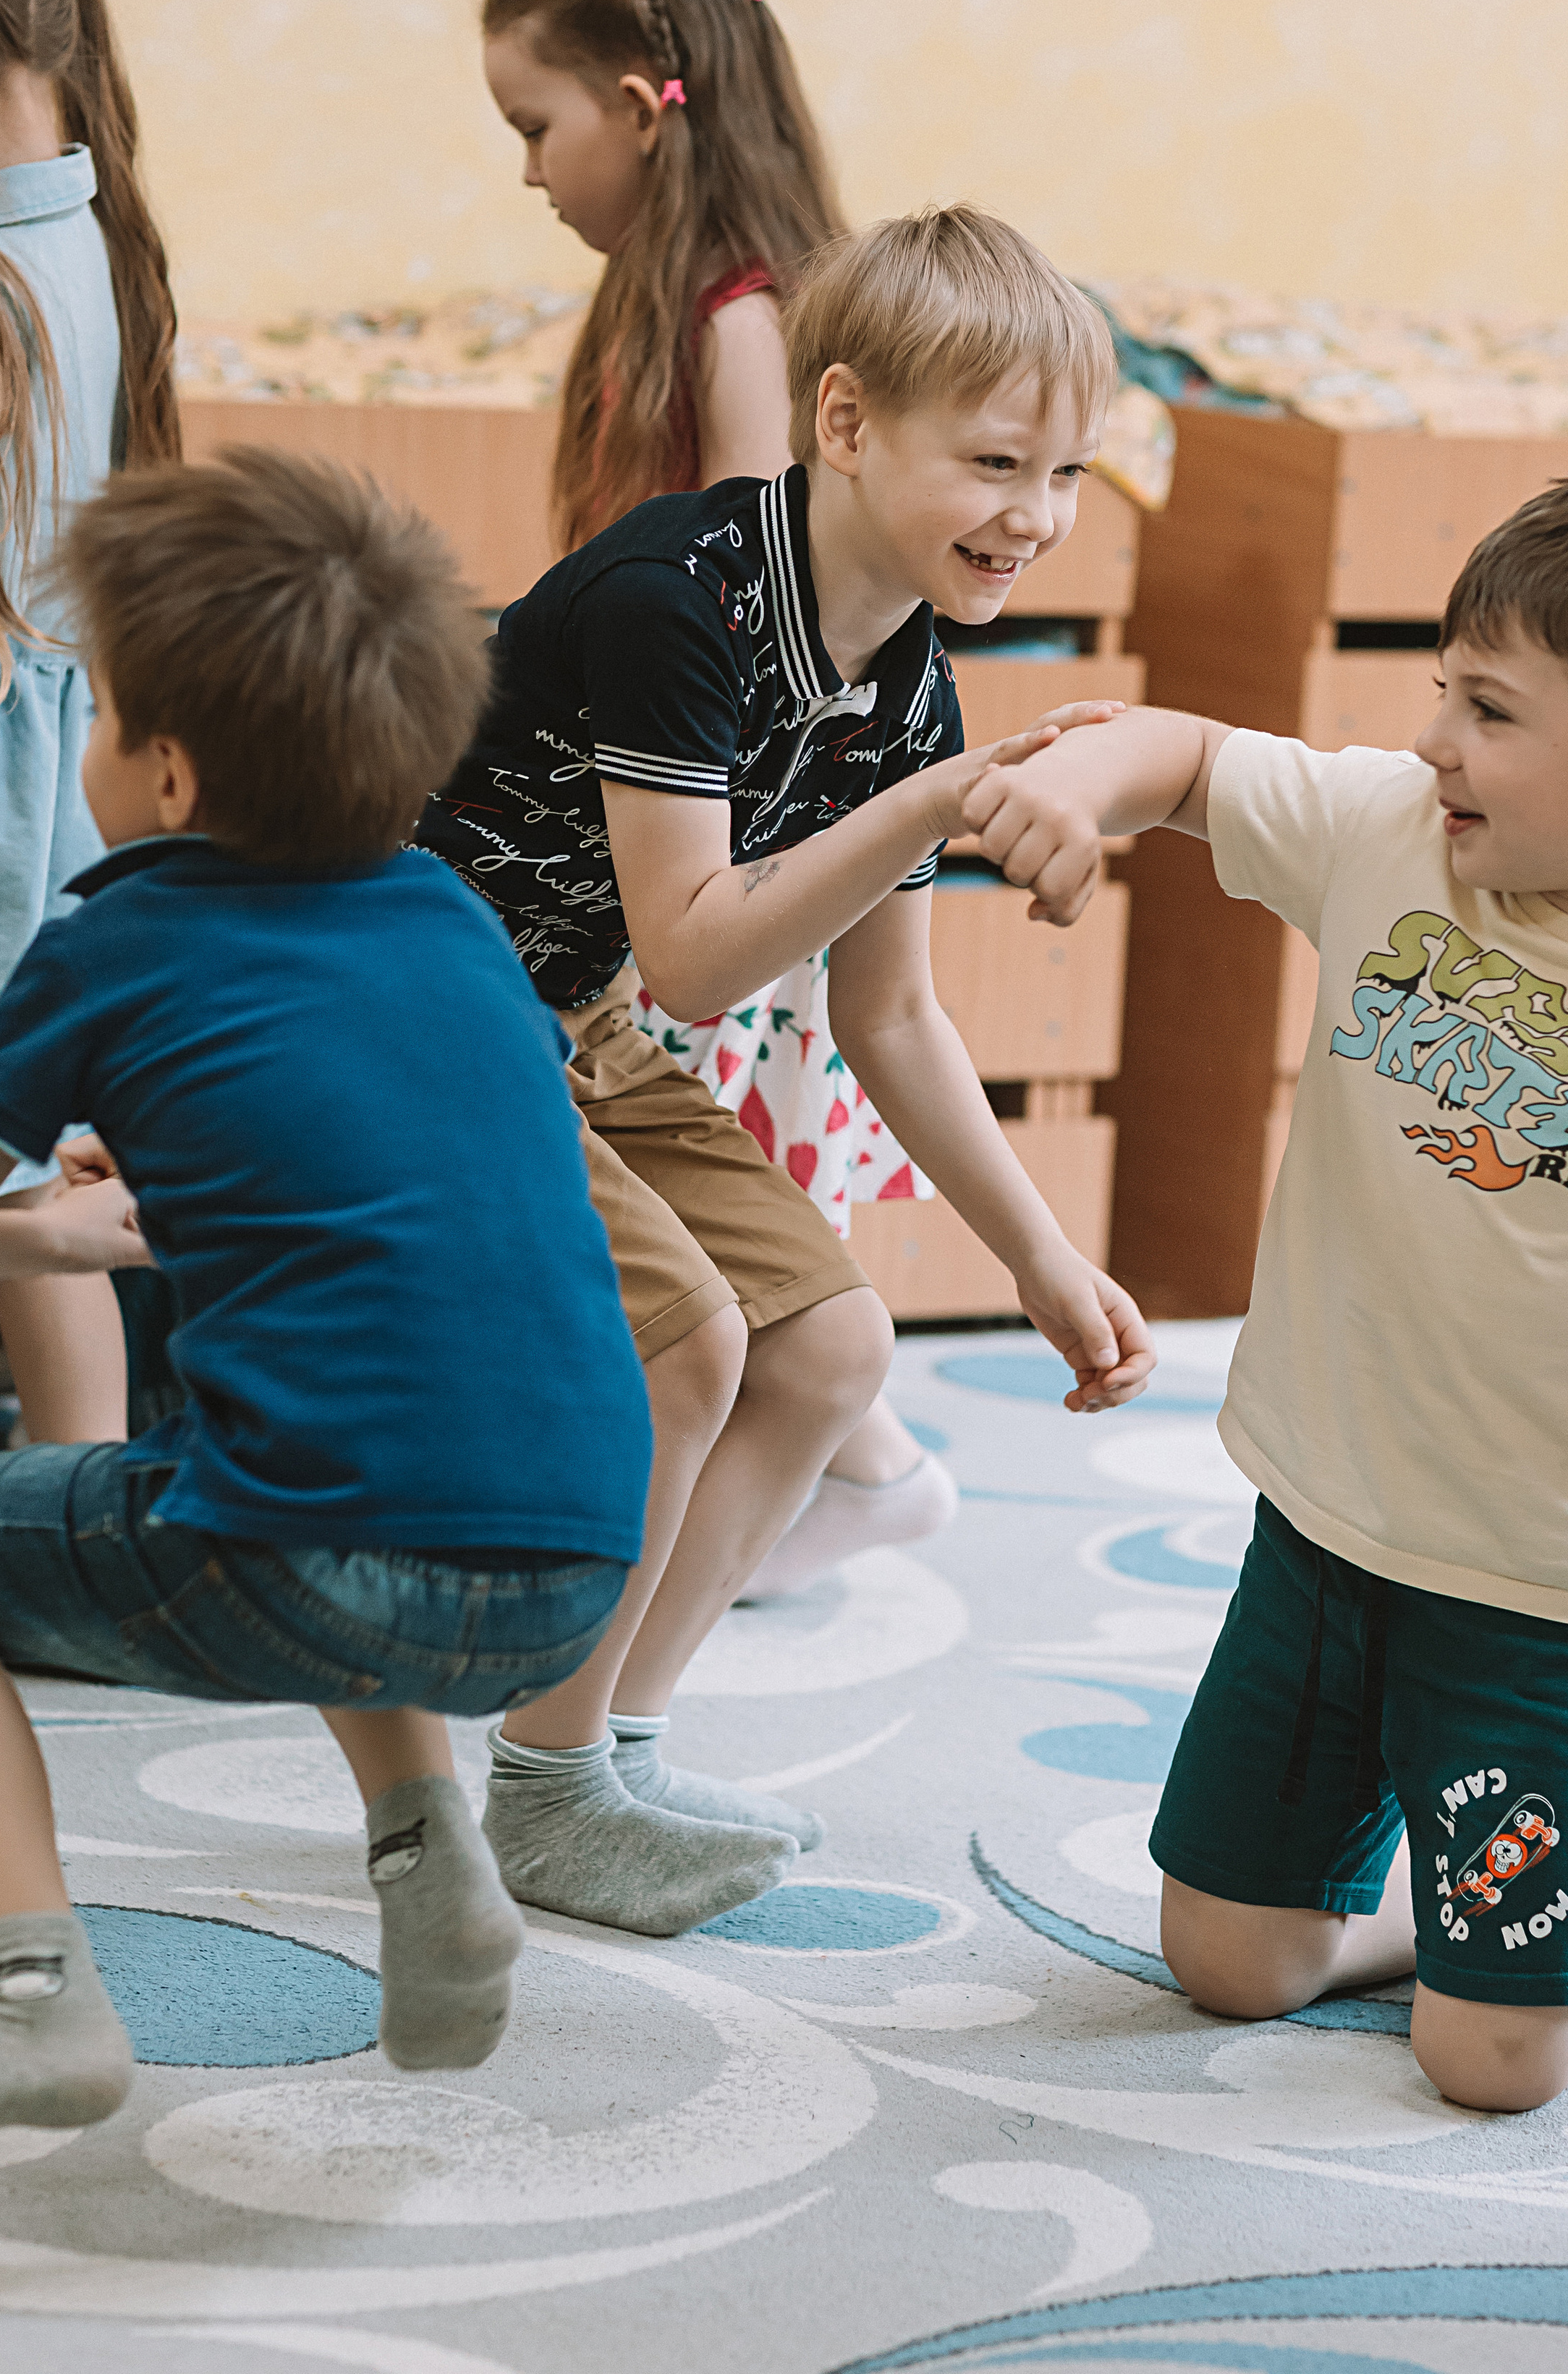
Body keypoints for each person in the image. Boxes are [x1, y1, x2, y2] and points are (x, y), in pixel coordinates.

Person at [959, 466, 1568, 2111]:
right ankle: (1473, 1904)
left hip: (1538, 1589)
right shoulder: (1394, 839)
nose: (1431, 741)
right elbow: (1175, 751)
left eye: (1484, 709)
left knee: (1490, 2066)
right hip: (1319, 1524)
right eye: (1435, 694)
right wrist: (1078, 790)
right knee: (1226, 1965)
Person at [412, 204, 1156, 1934]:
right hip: (420, 1000)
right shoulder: (681, 600)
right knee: (691, 1347)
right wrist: (916, 807)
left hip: (570, 1019)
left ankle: (610, 1746)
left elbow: (888, 1014)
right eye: (992, 461)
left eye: (1066, 476)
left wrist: (1043, 1260)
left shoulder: (908, 687)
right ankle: (540, 1784)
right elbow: (696, 950)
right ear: (840, 423)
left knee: (829, 1349)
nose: (1032, 518)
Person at [0, 449, 658, 2170]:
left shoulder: (110, 944)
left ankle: (33, 1999)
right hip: (571, 1576)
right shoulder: (460, 924)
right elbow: (415, 1215)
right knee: (338, 1425)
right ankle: (432, 1860)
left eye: (97, 718)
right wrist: (102, 1237)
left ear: (161, 769)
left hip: (306, 1558)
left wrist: (23, 1243)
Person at [480, 0, 954, 1601]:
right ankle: (824, 1450)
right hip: (645, 809)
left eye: (535, 127)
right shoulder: (674, 299)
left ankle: (849, 1458)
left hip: (705, 839)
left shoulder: (744, 321)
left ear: (637, 100)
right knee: (699, 1249)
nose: (528, 172)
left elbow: (756, 600)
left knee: (726, 1238)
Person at [0, 0, 179, 1451]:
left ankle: (73, 1468)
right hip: (45, 759)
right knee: (15, 1138)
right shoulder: (94, 237)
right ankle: (77, 1470)